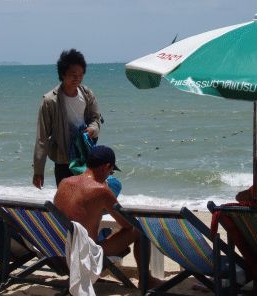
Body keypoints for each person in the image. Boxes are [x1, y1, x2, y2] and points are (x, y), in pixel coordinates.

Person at [54, 145, 161, 288]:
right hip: (83, 257)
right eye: (111, 170)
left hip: (58, 253)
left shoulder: (64, 183)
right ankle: (146, 279)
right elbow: (127, 224)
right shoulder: (101, 190)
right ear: (106, 167)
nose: (110, 174)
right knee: (139, 228)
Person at [33, 49, 101, 189]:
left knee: (85, 199)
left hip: (85, 156)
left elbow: (95, 118)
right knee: (66, 202)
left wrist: (92, 129)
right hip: (63, 159)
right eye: (73, 75)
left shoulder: (87, 94)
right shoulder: (50, 101)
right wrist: (38, 171)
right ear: (63, 74)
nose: (77, 78)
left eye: (81, 75)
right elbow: (42, 138)